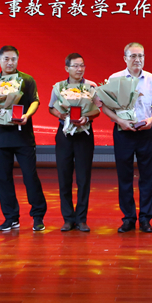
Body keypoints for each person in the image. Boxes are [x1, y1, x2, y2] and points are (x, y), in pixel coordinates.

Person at [101, 42, 152, 233]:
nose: (138, 59)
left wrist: (151, 120)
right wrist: (119, 121)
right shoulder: (115, 78)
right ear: (125, 58)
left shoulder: (151, 79)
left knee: (147, 176)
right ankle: (128, 218)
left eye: (141, 56)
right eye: (133, 56)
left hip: (145, 132)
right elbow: (104, 106)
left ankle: (145, 218)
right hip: (123, 132)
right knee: (124, 176)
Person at [0, 45, 47, 232]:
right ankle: (11, 217)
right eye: (6, 59)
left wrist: (27, 115)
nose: (10, 62)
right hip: (1, 137)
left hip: (23, 136)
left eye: (13, 59)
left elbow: (35, 101)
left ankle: (38, 216)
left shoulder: (27, 80)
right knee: (3, 178)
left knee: (30, 176)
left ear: (18, 60)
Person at [48, 52, 100, 232]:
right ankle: (68, 218)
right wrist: (61, 115)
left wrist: (87, 117)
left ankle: (82, 218)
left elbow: (97, 110)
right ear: (67, 68)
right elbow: (51, 108)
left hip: (84, 134)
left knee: (83, 178)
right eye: (76, 66)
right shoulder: (59, 87)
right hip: (65, 134)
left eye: (82, 65)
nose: (79, 69)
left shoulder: (91, 86)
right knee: (64, 176)